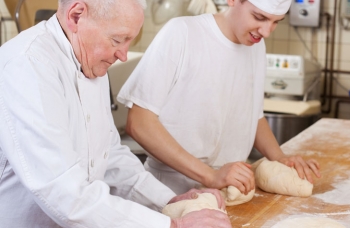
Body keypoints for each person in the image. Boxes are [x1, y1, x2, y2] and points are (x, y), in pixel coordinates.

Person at [0, 0, 230, 227]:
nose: (122, 54)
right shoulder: (26, 65)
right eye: (117, 40)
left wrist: (167, 199)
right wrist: (174, 225)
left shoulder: (90, 61)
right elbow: (63, 191)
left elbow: (108, 154)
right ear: (76, 16)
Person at [117, 0, 321, 196]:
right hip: (169, 189)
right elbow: (139, 123)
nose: (266, 32)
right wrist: (210, 175)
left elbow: (253, 116)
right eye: (259, 17)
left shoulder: (256, 46)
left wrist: (280, 158)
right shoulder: (182, 33)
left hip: (229, 189)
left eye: (276, 22)